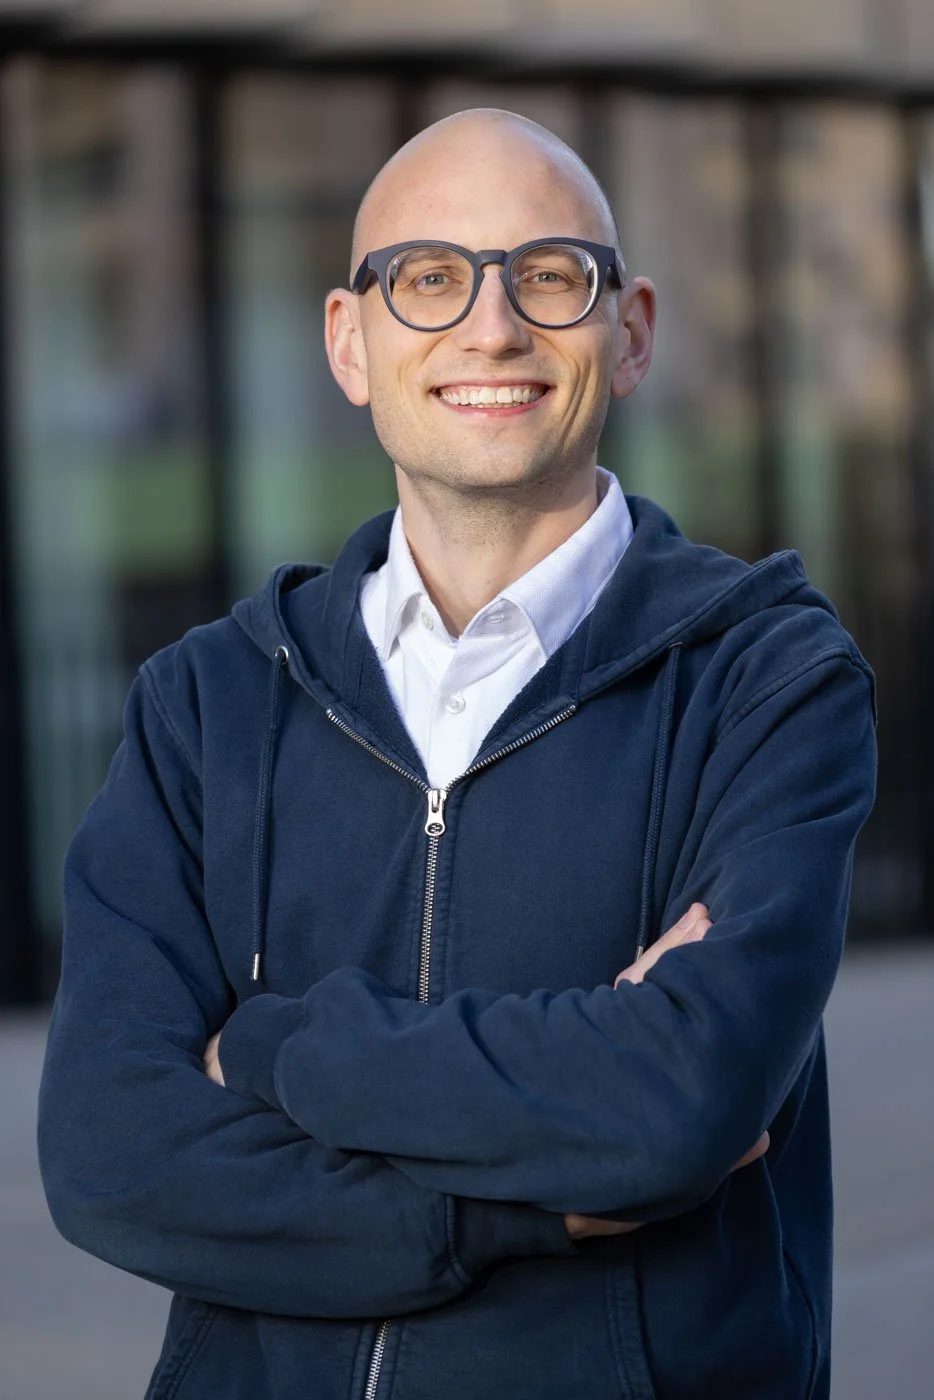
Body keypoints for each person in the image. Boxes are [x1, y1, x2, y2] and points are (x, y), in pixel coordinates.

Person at [38, 109, 876, 1400]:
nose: (492, 328)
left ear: (631, 331)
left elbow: (683, 1106)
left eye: (548, 274)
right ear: (349, 342)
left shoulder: (766, 679)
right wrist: (500, 1210)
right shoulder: (206, 705)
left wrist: (267, 1049)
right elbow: (110, 1149)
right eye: (429, 278)